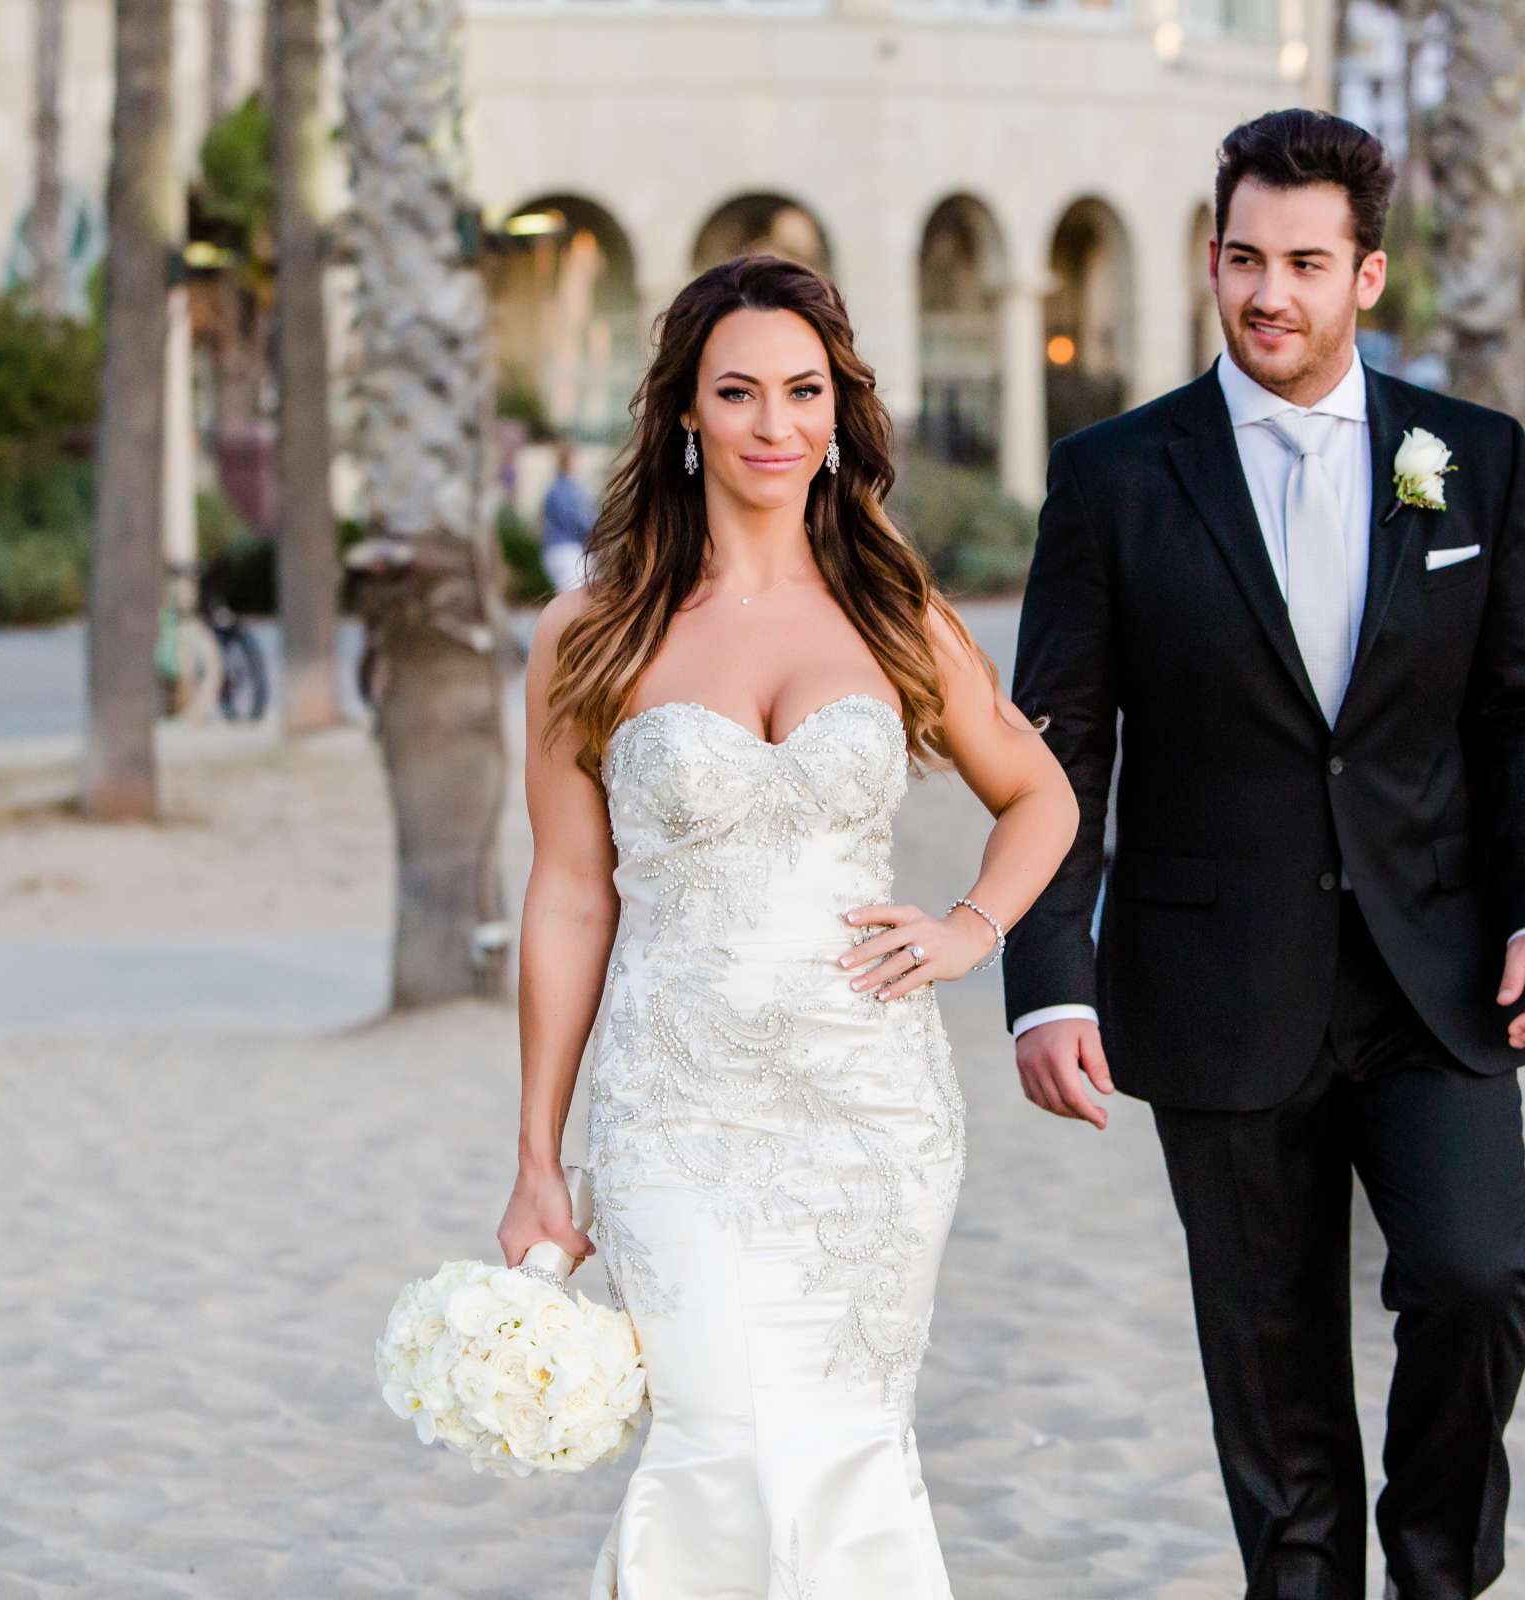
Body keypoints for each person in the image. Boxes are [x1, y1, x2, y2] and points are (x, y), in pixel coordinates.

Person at [1008, 109, 1525, 1600]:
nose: (1271, 293)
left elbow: (1524, 709)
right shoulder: (1115, 478)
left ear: (1368, 277)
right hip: (1217, 979)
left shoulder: (1468, 458)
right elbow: (1060, 751)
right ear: (1213, 260)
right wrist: (1048, 981)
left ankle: (1438, 1575)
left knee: (1477, 1282)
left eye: (1307, 264)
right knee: (1273, 1373)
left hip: (1435, 971)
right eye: (1247, 259)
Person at [499, 254, 1076, 1596]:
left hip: (868, 1114)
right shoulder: (587, 634)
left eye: (804, 392)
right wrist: (538, 1151)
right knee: (719, 1439)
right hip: (673, 1109)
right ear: (685, 415)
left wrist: (971, 927)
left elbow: (1040, 793)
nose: (775, 424)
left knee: (842, 1448)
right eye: (739, 392)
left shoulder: (893, 615)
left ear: (839, 414)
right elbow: (572, 895)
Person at [539, 440, 598, 594]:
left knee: (566, 598)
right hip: (569, 552)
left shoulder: (552, 490)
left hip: (553, 551)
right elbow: (582, 522)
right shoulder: (571, 491)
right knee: (578, 602)